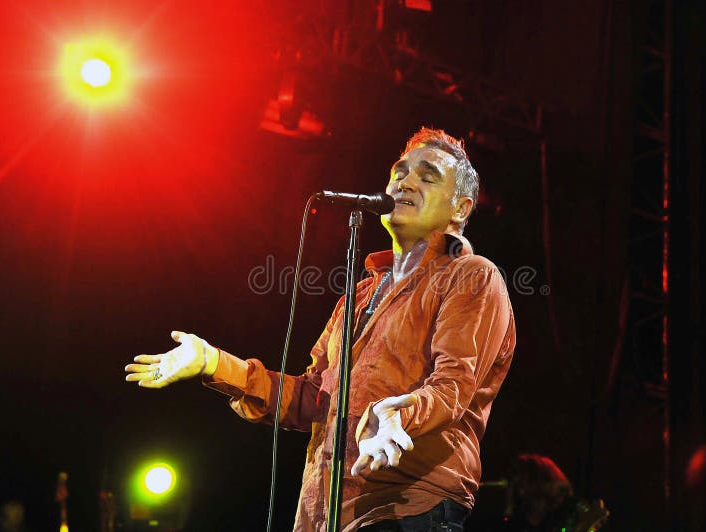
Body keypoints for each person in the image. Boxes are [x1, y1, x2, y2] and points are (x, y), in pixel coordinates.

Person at [124, 127, 516, 531]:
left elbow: (453, 385)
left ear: (460, 209)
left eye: (427, 176)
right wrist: (214, 362)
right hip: (325, 513)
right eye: (399, 173)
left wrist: (398, 415)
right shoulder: (357, 297)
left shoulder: (471, 276)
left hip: (406, 508)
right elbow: (314, 398)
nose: (405, 182)